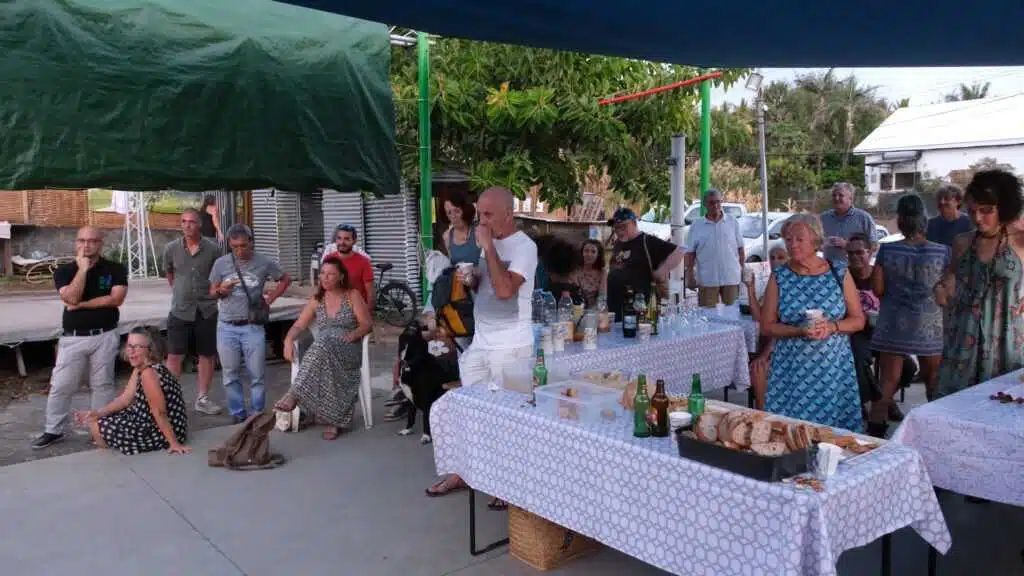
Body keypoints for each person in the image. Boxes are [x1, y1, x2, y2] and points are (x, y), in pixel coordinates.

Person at [426, 187, 537, 507]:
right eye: (481, 213)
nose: (482, 221)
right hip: (481, 343)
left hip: (511, 347)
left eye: (488, 215)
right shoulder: (485, 245)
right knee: (471, 414)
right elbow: (486, 288)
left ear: (508, 214)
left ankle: (506, 485)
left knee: (508, 420)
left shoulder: (523, 247)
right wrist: (470, 277)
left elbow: (505, 292)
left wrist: (487, 249)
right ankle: (465, 470)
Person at [760, 214, 865, 431]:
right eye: (788, 240)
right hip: (792, 373)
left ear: (815, 240)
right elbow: (766, 326)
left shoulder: (838, 271)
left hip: (833, 372)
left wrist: (832, 327)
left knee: (834, 438)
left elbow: (858, 320)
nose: (792, 245)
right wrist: (799, 329)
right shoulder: (779, 276)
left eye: (799, 239)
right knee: (792, 436)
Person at [33, 227, 128, 449]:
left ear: (101, 243)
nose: (86, 246)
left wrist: (81, 305)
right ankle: (53, 429)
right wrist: (83, 271)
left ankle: (99, 428)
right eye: (82, 241)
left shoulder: (115, 269)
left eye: (92, 241)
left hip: (105, 335)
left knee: (102, 384)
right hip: (73, 338)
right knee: (61, 385)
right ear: (76, 243)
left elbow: (115, 299)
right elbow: (70, 296)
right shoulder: (65, 271)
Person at [935, 170, 1024, 397]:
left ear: (1004, 208)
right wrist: (941, 288)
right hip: (964, 340)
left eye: (987, 211)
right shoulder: (962, 243)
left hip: (1007, 342)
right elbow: (951, 280)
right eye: (973, 211)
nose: (977, 218)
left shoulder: (1020, 241)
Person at [869, 197, 950, 433]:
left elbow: (878, 289)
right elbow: (945, 295)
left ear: (900, 220)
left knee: (887, 381)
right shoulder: (942, 252)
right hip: (929, 323)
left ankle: (876, 431)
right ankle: (936, 431)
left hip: (893, 321)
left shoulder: (888, 249)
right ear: (924, 221)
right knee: (933, 379)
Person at [277, 256, 373, 440]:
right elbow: (299, 325)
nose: (325, 278)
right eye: (322, 273)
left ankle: (294, 395)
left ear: (341, 277)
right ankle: (333, 421)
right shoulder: (317, 299)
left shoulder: (352, 295)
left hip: (348, 348)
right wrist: (288, 340)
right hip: (324, 351)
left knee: (321, 344)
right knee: (323, 346)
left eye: (331, 274)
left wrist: (354, 334)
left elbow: (367, 324)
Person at [209, 224, 292, 423]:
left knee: (257, 374)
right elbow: (212, 291)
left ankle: (257, 413)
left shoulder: (263, 261)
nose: (240, 250)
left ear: (251, 243)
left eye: (244, 246)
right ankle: (237, 413)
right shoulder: (221, 264)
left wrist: (270, 299)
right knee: (230, 373)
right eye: (235, 246)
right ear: (229, 244)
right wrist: (223, 290)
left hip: (252, 325)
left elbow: (285, 279)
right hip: (226, 325)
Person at [74, 327, 190, 455]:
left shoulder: (149, 374)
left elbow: (160, 412)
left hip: (160, 430)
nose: (131, 351)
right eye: (129, 346)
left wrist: (173, 443)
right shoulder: (143, 367)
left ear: (150, 350)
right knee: (100, 419)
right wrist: (98, 413)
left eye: (138, 347)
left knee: (96, 427)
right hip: (149, 419)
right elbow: (125, 399)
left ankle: (112, 444)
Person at [162, 208, 223, 415]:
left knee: (206, 355)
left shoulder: (214, 249)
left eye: (192, 222)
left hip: (206, 309)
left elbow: (218, 276)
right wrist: (181, 292)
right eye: (183, 222)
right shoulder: (171, 249)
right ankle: (170, 400)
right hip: (180, 309)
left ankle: (203, 398)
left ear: (200, 225)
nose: (187, 225)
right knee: (174, 355)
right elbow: (170, 274)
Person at [606, 207, 684, 319]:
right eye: (617, 227)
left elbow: (680, 251)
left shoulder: (647, 241)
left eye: (623, 226)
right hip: (616, 307)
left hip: (640, 307)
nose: (619, 231)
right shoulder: (618, 243)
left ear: (634, 223)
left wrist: (661, 271)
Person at [684, 188, 744, 308]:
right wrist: (689, 276)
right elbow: (690, 254)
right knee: (708, 318)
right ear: (705, 204)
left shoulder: (733, 222)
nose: (716, 205)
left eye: (718, 201)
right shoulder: (697, 226)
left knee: (733, 315)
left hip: (731, 278)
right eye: (711, 202)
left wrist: (742, 270)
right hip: (707, 279)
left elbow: (740, 249)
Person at [745, 245, 788, 409]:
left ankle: (762, 412)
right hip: (768, 341)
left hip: (779, 344)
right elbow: (759, 318)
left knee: (758, 369)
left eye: (780, 257)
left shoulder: (789, 284)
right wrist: (750, 288)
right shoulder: (772, 281)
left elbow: (783, 326)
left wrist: (766, 354)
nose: (776, 261)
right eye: (773, 258)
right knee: (752, 365)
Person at [321, 224, 375, 311]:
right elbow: (322, 286)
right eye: (339, 238)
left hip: (356, 311)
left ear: (354, 241)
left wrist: (367, 315)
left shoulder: (364, 262)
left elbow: (370, 294)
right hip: (332, 310)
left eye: (347, 239)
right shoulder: (328, 259)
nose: (342, 242)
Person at [819, 182, 876, 263]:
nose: (836, 198)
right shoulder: (824, 218)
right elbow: (816, 242)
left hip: (854, 269)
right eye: (834, 195)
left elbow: (874, 245)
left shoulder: (864, 218)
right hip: (829, 269)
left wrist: (848, 245)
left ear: (851, 198)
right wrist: (821, 244)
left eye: (841, 195)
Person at [442, 190, 482, 266]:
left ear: (465, 210)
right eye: (449, 213)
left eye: (457, 211)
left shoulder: (478, 231)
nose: (454, 217)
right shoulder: (447, 236)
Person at [571, 238, 607, 307]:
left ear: (598, 254)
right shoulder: (575, 270)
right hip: (578, 309)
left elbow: (602, 297)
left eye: (593, 252)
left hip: (597, 311)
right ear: (582, 253)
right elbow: (575, 295)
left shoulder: (602, 272)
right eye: (586, 251)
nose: (589, 254)